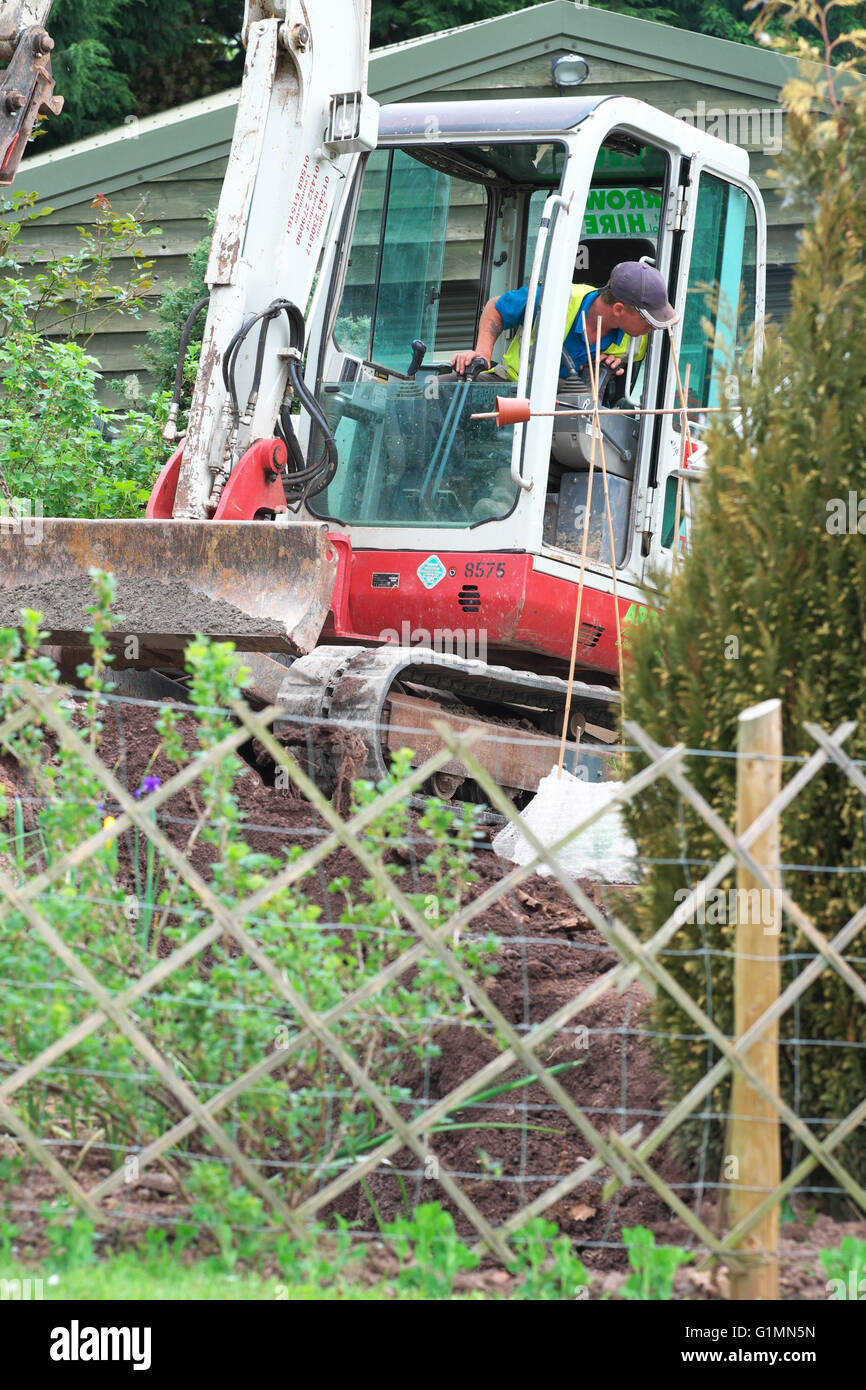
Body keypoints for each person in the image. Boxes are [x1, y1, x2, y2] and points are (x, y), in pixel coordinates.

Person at [450, 260, 679, 381]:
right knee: (441, 390)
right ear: (619, 309)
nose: (652, 328)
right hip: (513, 387)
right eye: (647, 319)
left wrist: (606, 367)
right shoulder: (556, 297)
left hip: (567, 405)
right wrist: (482, 355)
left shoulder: (636, 343)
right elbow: (496, 308)